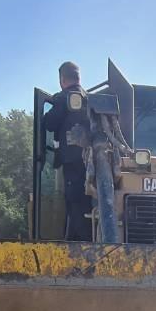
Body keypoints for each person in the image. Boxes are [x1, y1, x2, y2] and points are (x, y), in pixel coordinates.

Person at [42, 61, 93, 241]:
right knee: (85, 205)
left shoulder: (64, 99)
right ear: (79, 78)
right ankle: (77, 239)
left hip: (73, 164)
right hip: (91, 165)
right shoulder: (89, 99)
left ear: (62, 80)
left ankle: (79, 249)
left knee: (75, 205)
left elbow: (49, 123)